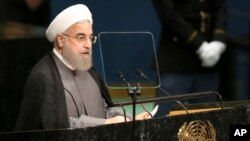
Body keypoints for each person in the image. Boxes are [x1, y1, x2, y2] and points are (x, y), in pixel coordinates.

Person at [14, 4, 150, 131]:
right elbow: (56, 127)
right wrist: (106, 124)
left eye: (90, 38)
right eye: (81, 37)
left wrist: (132, 119)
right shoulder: (44, 76)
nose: (88, 45)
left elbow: (105, 111)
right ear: (61, 40)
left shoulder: (89, 72)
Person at [151, 0, 227, 117]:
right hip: (176, 61)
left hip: (209, 62)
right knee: (164, 120)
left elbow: (221, 8)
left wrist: (218, 41)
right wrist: (200, 45)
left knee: (207, 121)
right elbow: (168, 14)